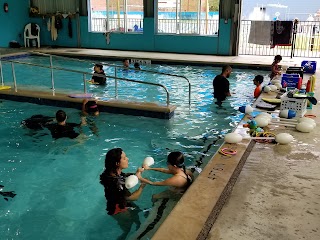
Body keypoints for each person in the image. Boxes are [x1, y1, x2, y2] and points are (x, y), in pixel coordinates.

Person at [100, 148, 146, 216]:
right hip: (118, 209)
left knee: (137, 215)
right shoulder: (115, 183)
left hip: (122, 202)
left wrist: (136, 174)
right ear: (117, 163)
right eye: (124, 158)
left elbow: (123, 177)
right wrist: (142, 186)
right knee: (129, 224)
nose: (127, 159)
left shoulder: (110, 173)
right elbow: (133, 198)